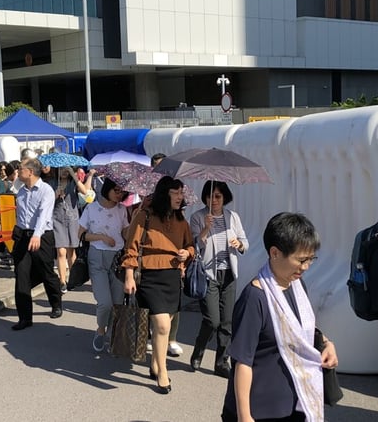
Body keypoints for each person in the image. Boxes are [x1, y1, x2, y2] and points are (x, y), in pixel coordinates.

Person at [221, 212, 337, 422]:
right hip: (260, 410)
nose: (306, 267)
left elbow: (299, 330)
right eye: (301, 260)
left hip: (298, 402)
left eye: (311, 259)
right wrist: (244, 416)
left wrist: (327, 343)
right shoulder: (255, 298)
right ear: (275, 253)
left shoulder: (297, 285)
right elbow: (242, 362)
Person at [122, 175, 194, 395]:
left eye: (181, 193)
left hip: (173, 277)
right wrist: (129, 275)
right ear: (164, 194)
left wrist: (187, 253)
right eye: (175, 193)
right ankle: (163, 372)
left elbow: (190, 245)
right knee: (162, 326)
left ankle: (155, 363)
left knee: (163, 327)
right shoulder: (144, 215)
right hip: (150, 276)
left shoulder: (181, 220)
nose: (180, 197)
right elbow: (131, 247)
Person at [187, 180, 248, 377]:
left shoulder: (233, 217)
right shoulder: (198, 217)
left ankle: (222, 362)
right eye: (209, 196)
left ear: (224, 198)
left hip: (229, 273)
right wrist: (206, 228)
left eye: (217, 197)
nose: (213, 200)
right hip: (208, 273)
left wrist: (239, 244)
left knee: (227, 321)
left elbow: (244, 241)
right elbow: (196, 245)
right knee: (212, 320)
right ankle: (199, 349)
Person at [78, 176, 130, 352]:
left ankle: (111, 334)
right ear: (107, 188)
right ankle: (101, 329)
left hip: (118, 258)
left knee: (117, 301)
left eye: (122, 192)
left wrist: (135, 222)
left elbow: (126, 233)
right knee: (104, 302)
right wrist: (101, 237)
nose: (119, 194)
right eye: (116, 190)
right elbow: (81, 234)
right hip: (97, 257)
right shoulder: (91, 208)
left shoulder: (122, 210)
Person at [10, 157, 63, 330]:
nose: (18, 171)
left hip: (42, 236)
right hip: (23, 236)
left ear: (30, 172)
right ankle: (25, 318)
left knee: (46, 272)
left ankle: (56, 302)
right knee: (21, 274)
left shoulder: (46, 190)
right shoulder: (20, 190)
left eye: (21, 168)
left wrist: (37, 235)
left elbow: (44, 215)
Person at [148, 151, 183, 356]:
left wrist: (187, 253)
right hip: (151, 266)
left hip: (173, 266)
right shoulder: (147, 192)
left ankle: (171, 339)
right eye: (158, 166)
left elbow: (187, 241)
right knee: (157, 314)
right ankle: (152, 339)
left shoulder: (177, 191)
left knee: (172, 308)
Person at [44, 164, 91, 290]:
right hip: (57, 219)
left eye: (67, 169)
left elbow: (85, 192)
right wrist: (56, 194)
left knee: (71, 251)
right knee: (61, 251)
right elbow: (46, 201)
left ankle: (73, 278)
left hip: (72, 219)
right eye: (62, 169)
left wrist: (75, 177)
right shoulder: (52, 183)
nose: (64, 172)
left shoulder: (73, 182)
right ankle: (62, 281)